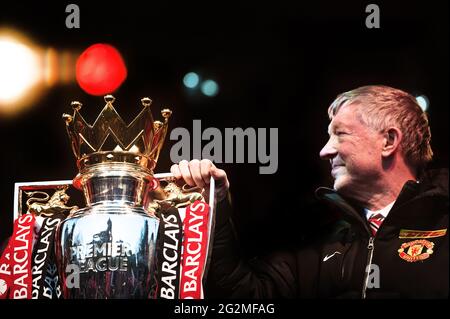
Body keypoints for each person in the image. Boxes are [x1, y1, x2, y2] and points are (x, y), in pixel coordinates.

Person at [170, 85, 448, 299]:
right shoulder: (318, 239)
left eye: (340, 134)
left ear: (388, 140)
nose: (325, 151)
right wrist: (215, 208)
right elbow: (244, 296)